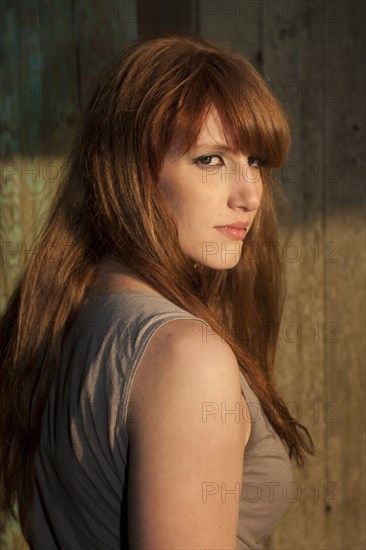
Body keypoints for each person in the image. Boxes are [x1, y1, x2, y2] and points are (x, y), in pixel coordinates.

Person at [0, 33, 313, 549]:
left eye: (254, 160)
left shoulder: (64, 315)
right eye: (210, 160)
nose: (251, 194)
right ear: (134, 174)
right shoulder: (188, 357)